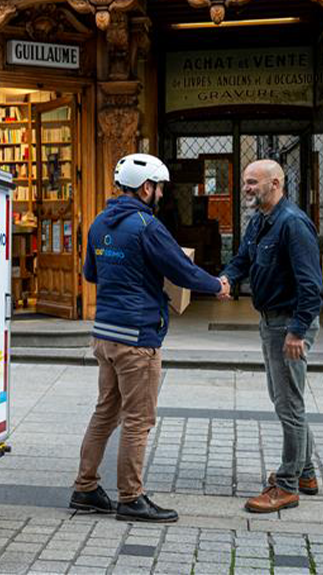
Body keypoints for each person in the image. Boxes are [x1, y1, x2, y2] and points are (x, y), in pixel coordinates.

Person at [70, 153, 229, 523]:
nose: (161, 194)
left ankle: (85, 488)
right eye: (159, 188)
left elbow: (91, 273)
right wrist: (217, 286)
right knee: (138, 420)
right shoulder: (147, 226)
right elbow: (183, 270)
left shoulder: (99, 223)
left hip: (105, 335)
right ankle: (131, 498)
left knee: (105, 412)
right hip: (137, 338)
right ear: (146, 188)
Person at [219, 159, 323, 513]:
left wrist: (297, 331)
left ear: (275, 183)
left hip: (288, 324)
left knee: (289, 404)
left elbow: (311, 285)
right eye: (246, 181)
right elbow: (242, 260)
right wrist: (226, 279)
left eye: (253, 182)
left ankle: (288, 485)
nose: (246, 187)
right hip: (270, 322)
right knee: (284, 399)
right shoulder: (260, 221)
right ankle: (305, 473)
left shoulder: (293, 224)